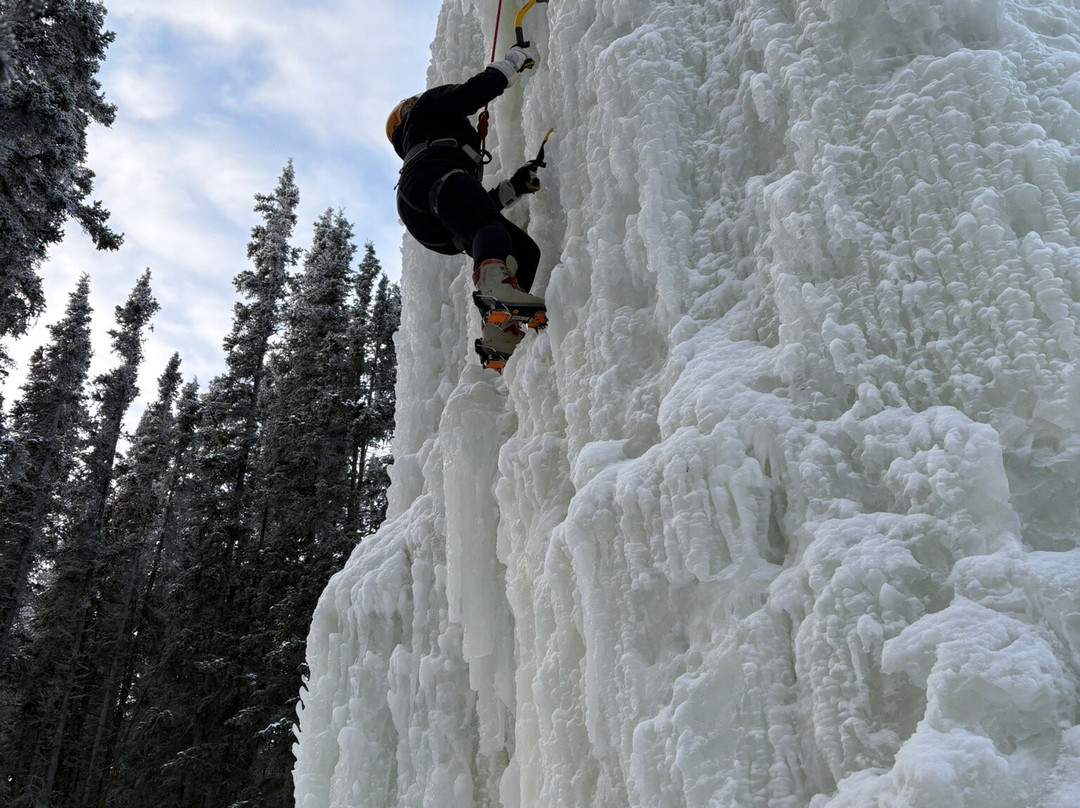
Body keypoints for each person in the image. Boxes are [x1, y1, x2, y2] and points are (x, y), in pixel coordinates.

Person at [386, 44, 546, 366]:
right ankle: (495, 291)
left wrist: (514, 187)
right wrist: (510, 63)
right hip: (433, 179)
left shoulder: (427, 145)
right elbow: (470, 94)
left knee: (524, 251)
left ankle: (500, 331)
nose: (415, 101)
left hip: (430, 220)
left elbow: (473, 205)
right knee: (487, 229)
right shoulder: (426, 108)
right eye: (409, 104)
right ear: (406, 115)